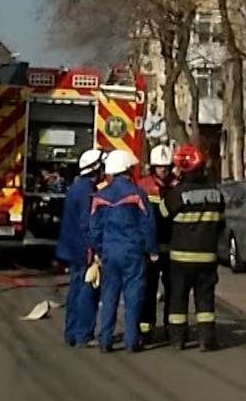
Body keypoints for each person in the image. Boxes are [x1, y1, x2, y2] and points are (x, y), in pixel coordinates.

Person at [87, 149, 156, 353]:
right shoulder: (137, 194)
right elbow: (148, 224)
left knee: (109, 296)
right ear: (127, 169)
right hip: (133, 252)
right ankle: (131, 340)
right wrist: (152, 249)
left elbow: (94, 228)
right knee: (133, 296)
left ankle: (105, 340)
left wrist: (100, 250)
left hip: (110, 251)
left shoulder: (100, 196)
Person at [161, 144, 224, 351]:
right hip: (207, 256)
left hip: (181, 258)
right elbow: (221, 223)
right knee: (205, 300)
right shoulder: (216, 193)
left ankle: (178, 339)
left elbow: (162, 215)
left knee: (178, 298)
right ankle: (207, 339)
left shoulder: (177, 193)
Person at [57, 150, 104, 347]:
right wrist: (95, 249)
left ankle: (72, 333)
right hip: (83, 250)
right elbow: (88, 224)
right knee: (87, 291)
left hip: (73, 248)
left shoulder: (77, 187)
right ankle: (83, 334)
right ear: (95, 169)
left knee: (76, 289)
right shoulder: (87, 191)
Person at [137, 143, 176, 340]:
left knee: (173, 290)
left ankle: (172, 327)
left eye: (167, 167)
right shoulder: (143, 186)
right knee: (148, 289)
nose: (164, 170)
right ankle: (146, 328)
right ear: (153, 167)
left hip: (172, 247)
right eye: (160, 167)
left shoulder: (176, 186)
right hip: (149, 249)